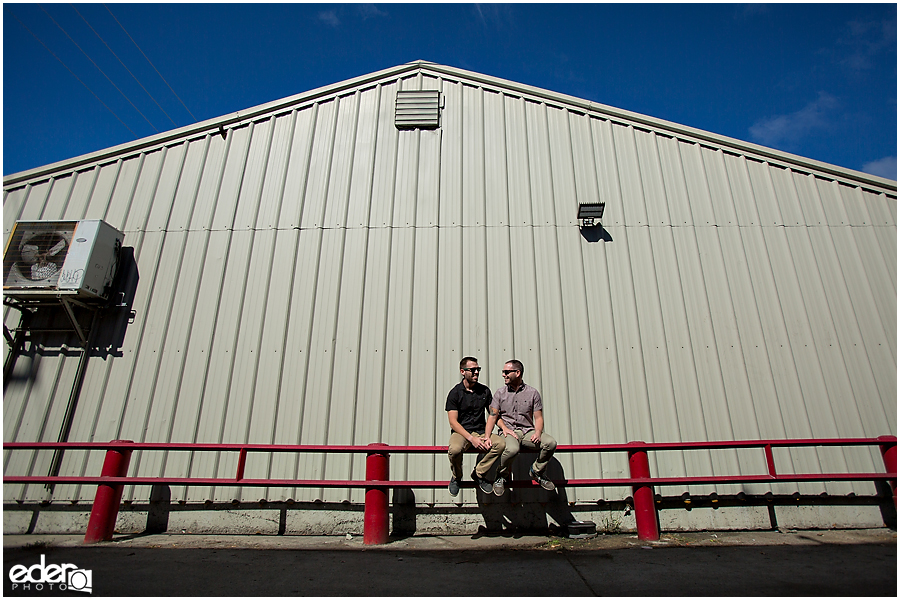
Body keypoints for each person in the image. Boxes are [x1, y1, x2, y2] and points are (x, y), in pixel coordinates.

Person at [486, 359, 557, 492]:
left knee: (550, 443)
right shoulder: (500, 393)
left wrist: (537, 432)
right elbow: (492, 416)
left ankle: (537, 471)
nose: (503, 375)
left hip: (527, 431)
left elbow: (538, 417)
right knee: (512, 449)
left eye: (507, 372)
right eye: (503, 372)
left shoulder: (533, 393)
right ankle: (501, 475)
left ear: (517, 373)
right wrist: (487, 436)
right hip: (508, 432)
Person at [446, 357, 506, 496]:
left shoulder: (484, 391)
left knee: (501, 444)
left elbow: (493, 414)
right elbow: (453, 422)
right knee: (454, 450)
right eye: (472, 370)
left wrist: (503, 428)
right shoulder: (455, 393)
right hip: (462, 433)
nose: (476, 372)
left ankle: (479, 473)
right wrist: (471, 439)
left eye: (478, 369)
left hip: (480, 431)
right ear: (462, 371)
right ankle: (457, 477)